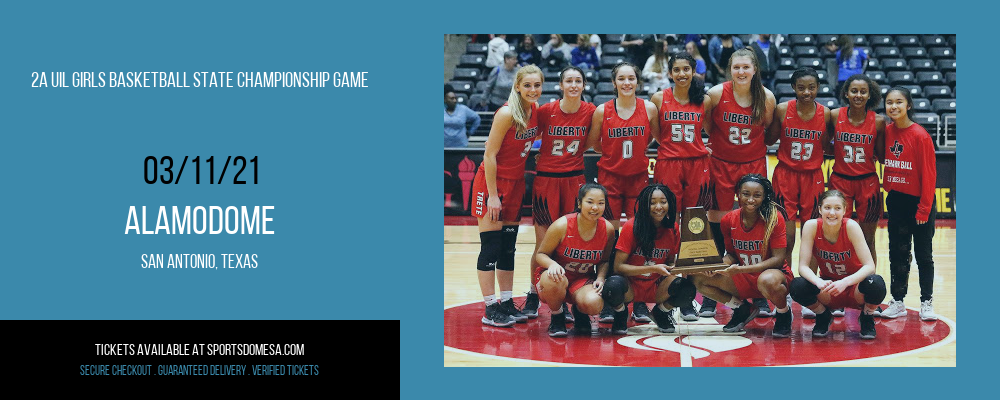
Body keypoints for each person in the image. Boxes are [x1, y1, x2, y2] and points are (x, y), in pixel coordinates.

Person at [703, 48, 776, 318]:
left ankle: (757, 293)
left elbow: (767, 129)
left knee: (754, 225)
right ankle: (712, 289)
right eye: (736, 68)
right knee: (717, 223)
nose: (741, 72)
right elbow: (708, 126)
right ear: (729, 70)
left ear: (755, 69)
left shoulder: (766, 97)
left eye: (746, 67)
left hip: (753, 165)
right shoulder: (716, 94)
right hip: (721, 163)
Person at [522, 66, 597, 319]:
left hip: (574, 182)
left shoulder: (591, 112)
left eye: (578, 81)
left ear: (584, 85)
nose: (574, 85)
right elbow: (526, 135)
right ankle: (534, 292)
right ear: (561, 85)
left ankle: (566, 296)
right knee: (542, 245)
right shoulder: (546, 111)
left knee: (568, 243)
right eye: (569, 81)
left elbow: (592, 143)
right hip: (546, 182)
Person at [471, 65, 543, 327]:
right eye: (527, 85)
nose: (532, 90)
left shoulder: (535, 112)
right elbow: (488, 155)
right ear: (517, 87)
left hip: (515, 185)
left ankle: (506, 301)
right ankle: (490, 308)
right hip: (492, 184)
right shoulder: (506, 113)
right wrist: (492, 195)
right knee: (491, 246)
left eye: (537, 85)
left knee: (508, 248)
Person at [649, 52, 714, 321]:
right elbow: (656, 133)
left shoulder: (705, 100)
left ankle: (686, 295)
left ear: (693, 71)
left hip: (697, 164)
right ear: (670, 72)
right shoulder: (658, 99)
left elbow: (707, 129)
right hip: (668, 163)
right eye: (677, 70)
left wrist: (698, 148)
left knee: (694, 228)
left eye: (686, 69)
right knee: (666, 225)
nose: (682, 74)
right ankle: (665, 290)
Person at [690, 174, 793, 336]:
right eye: (746, 194)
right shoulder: (728, 220)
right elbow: (731, 255)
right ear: (738, 194)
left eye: (757, 195)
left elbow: (779, 259)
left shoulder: (774, 218)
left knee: (768, 280)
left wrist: (742, 270)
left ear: (764, 196)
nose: (751, 200)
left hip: (772, 276)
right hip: (743, 276)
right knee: (698, 277)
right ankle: (742, 308)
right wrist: (717, 267)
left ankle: (783, 313)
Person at [790, 190, 886, 339]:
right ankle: (823, 315)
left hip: (855, 288)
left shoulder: (851, 226)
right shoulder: (811, 226)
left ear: (845, 211)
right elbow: (802, 267)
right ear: (820, 209)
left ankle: (867, 317)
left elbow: (869, 266)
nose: (832, 213)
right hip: (829, 288)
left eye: (837, 208)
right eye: (827, 207)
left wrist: (845, 282)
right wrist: (819, 282)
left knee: (877, 283)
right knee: (797, 285)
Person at [879, 87, 939, 321]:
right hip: (896, 200)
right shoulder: (887, 132)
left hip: (919, 203)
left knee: (924, 255)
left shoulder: (920, 135)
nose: (893, 106)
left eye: (898, 102)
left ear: (909, 105)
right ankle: (898, 301)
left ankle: (927, 301)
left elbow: (929, 175)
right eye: (889, 102)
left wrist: (924, 208)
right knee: (897, 252)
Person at [765, 67, 830, 278]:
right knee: (787, 236)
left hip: (813, 177)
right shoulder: (783, 110)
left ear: (818, 88)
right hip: (786, 176)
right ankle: (786, 281)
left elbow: (828, 146)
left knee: (812, 235)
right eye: (801, 88)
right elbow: (768, 139)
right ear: (793, 88)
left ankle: (809, 284)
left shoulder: (825, 113)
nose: (807, 92)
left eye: (811, 88)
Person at [611, 184, 697, 333]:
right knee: (612, 286)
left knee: (687, 289)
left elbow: (670, 259)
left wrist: (687, 265)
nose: (659, 207)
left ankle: (661, 312)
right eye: (652, 202)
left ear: (669, 203)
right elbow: (618, 267)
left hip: (656, 285)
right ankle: (621, 313)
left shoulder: (673, 228)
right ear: (645, 204)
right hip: (631, 284)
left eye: (663, 202)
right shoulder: (631, 226)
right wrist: (652, 268)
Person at [535, 183, 618, 336]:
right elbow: (541, 254)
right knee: (554, 280)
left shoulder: (608, 229)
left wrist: (600, 277)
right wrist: (552, 264)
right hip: (555, 279)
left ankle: (580, 311)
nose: (595, 208)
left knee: (594, 304)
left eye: (601, 203)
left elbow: (604, 261)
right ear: (579, 203)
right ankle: (557, 316)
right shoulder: (562, 225)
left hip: (581, 280)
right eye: (590, 202)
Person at [587, 62, 659, 230]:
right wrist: (609, 150)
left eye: (631, 78)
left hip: (638, 176)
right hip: (610, 177)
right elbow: (594, 142)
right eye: (621, 79)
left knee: (638, 227)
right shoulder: (602, 111)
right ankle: (609, 257)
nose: (626, 83)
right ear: (614, 83)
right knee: (609, 229)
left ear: (637, 82)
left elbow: (656, 137)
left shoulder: (649, 108)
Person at [827, 74, 885, 271]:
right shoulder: (834, 116)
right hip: (840, 182)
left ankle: (870, 285)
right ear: (846, 93)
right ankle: (836, 278)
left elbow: (881, 154)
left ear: (870, 95)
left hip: (867, 183)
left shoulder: (878, 121)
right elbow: (825, 145)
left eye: (863, 91)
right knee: (836, 237)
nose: (858, 95)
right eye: (854, 91)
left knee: (868, 239)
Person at [833, 35, 867, 101]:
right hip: (857, 76)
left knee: (844, 99)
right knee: (856, 98)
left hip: (843, 77)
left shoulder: (839, 53)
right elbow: (866, 59)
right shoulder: (859, 51)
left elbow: (837, 63)